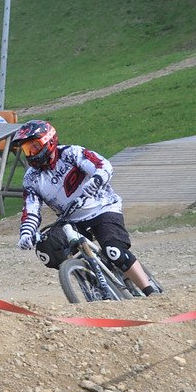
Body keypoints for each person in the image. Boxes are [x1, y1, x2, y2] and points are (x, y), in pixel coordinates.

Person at [11, 119, 159, 296]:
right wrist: (26, 233)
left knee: (113, 251)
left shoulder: (71, 153)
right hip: (70, 220)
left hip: (102, 208)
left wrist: (96, 181)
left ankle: (150, 292)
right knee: (46, 251)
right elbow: (30, 210)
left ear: (48, 140)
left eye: (34, 147)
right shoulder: (31, 178)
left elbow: (103, 165)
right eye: (27, 149)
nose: (31, 153)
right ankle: (90, 278)